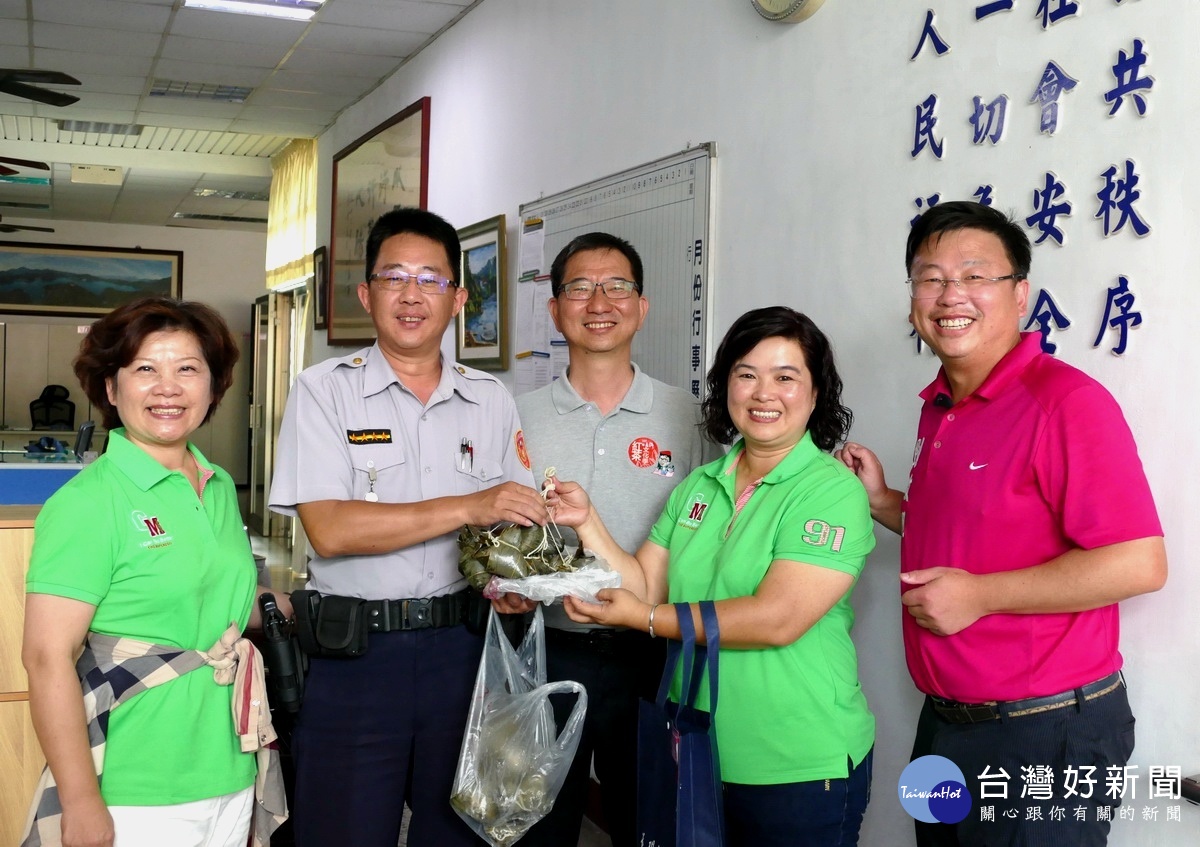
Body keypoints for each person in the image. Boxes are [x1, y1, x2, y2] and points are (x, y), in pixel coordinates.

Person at [837, 201, 1167, 845]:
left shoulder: (1065, 403)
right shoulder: (940, 404)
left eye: (974, 276)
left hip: (1045, 734)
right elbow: (973, 531)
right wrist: (883, 501)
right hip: (946, 725)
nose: (950, 295)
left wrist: (980, 596)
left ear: (1020, 296)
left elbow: (1139, 562)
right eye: (930, 278)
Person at [269, 207, 549, 847]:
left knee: (459, 832)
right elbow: (330, 529)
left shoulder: (491, 399)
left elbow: (513, 523)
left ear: (458, 298)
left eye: (430, 279)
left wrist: (520, 580)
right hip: (355, 656)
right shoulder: (323, 391)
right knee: (343, 832)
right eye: (394, 277)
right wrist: (469, 505)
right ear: (367, 294)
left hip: (463, 654)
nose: (411, 294)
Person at [552, 306, 876, 847]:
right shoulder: (700, 485)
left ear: (816, 392)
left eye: (785, 377)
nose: (763, 393)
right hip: (699, 748)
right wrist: (587, 522)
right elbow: (645, 583)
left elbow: (776, 618)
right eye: (746, 374)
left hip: (797, 761)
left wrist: (647, 619)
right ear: (726, 385)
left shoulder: (830, 490)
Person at [22, 297, 287, 847]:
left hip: (230, 763)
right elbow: (46, 658)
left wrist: (288, 604)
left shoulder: (216, 485)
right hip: (133, 783)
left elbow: (208, 595)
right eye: (145, 368)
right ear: (111, 388)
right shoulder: (88, 503)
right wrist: (80, 801)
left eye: (187, 369)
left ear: (213, 387)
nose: (168, 388)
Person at [511, 232, 719, 847]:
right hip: (545, 649)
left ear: (641, 306)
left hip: (652, 654)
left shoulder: (689, 418)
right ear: (555, 310)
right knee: (538, 823)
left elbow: (714, 531)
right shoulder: (513, 415)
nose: (599, 302)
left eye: (617, 286)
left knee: (648, 821)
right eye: (580, 287)